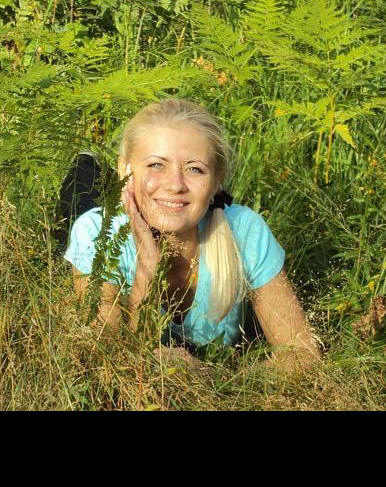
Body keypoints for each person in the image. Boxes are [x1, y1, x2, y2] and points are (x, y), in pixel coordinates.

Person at [64, 98, 321, 373]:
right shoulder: (95, 233)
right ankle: (86, 167)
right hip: (107, 219)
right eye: (156, 165)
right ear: (126, 170)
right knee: (79, 199)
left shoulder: (245, 231)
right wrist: (147, 266)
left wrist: (211, 376)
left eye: (194, 169)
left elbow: (304, 355)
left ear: (216, 182)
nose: (175, 185)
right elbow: (104, 361)